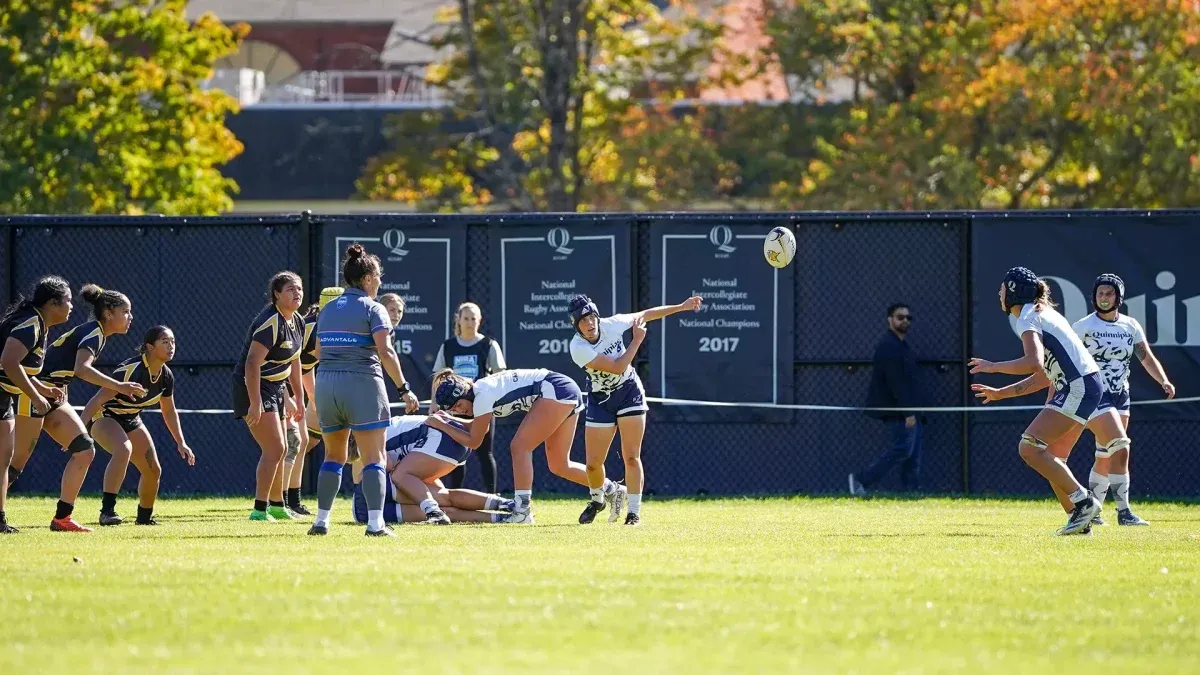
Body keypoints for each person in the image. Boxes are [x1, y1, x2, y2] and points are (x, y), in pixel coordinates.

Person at [970, 266, 1129, 536]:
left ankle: (1084, 502)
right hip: (1084, 385)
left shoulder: (1028, 316)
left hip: (1078, 387)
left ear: (1012, 292)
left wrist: (992, 367)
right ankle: (1079, 523)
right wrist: (1001, 393)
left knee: (1028, 447)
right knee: (1052, 456)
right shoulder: (1042, 314)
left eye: (1001, 289)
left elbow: (1033, 362)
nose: (998, 294)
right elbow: (1044, 376)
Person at [8, 284, 148, 532]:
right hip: (34, 391)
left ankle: (62, 518)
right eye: (126, 311)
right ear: (108, 313)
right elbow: (82, 369)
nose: (130, 317)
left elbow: (64, 368)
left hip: (53, 395)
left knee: (84, 449)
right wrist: (120, 385)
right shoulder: (94, 332)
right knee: (15, 463)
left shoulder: (97, 333)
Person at [1043, 274, 1174, 526]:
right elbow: (1064, 363)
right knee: (1117, 446)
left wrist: (1163, 380)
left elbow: (1146, 357)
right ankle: (1122, 512)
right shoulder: (1083, 326)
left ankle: (1097, 511)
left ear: (1119, 297)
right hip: (1094, 393)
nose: (1104, 298)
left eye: (1109, 293)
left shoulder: (1130, 326)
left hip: (1120, 394)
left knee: (1107, 454)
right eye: (1100, 293)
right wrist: (1054, 396)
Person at [309, 244, 419, 537]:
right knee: (374, 457)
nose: (380, 282)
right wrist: (404, 388)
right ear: (368, 279)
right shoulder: (375, 308)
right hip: (362, 384)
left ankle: (321, 521)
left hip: (327, 385)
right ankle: (375, 524)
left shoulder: (329, 308)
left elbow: (318, 352)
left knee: (333, 456)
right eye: (378, 277)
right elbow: (386, 351)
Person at [569, 293, 702, 526]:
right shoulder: (577, 347)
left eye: (591, 318)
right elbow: (618, 367)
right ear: (576, 326)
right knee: (592, 463)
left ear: (598, 317)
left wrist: (681, 306)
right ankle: (598, 500)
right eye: (582, 321)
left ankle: (634, 512)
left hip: (629, 392)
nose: (589, 324)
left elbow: (647, 314)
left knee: (631, 456)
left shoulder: (613, 324)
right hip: (601, 399)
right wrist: (637, 341)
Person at [428, 367, 592, 525]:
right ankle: (610, 489)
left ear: (464, 393)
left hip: (555, 388)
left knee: (520, 447)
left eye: (458, 405)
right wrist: (447, 421)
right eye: (453, 410)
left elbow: (474, 441)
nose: (459, 411)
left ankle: (522, 511)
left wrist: (442, 425)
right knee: (560, 465)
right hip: (563, 388)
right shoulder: (478, 392)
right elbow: (476, 427)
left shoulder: (481, 396)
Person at [83, 326, 195, 525]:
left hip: (132, 418)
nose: (171, 346)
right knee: (123, 449)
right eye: (165, 341)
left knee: (153, 470)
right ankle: (107, 512)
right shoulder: (131, 370)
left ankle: (144, 519)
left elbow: (168, 411)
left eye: (173, 342)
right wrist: (79, 432)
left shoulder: (166, 375)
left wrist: (181, 442)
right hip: (105, 416)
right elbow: (96, 400)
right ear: (149, 347)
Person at [0, 277, 74, 534]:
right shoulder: (30, 323)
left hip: (4, 397)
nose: (71, 306)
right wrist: (34, 396)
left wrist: (42, 388)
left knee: (3, 459)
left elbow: (19, 366)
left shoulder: (39, 324)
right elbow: (8, 362)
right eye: (68, 300)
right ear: (52, 303)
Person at [350, 414, 517, 525]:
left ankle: (434, 511)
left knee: (404, 478)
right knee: (446, 497)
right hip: (451, 439)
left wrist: (363, 472)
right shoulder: (382, 426)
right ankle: (508, 510)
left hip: (367, 503)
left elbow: (385, 465)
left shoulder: (364, 441)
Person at [233, 271, 306, 522]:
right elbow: (251, 365)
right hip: (252, 386)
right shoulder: (270, 322)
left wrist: (298, 396)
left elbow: (294, 361)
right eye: (290, 289)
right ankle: (259, 510)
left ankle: (277, 506)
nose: (297, 293)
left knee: (282, 447)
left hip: (276, 387)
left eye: (299, 288)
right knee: (275, 448)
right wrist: (254, 403)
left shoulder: (297, 321)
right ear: (276, 294)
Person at [849, 303, 924, 496]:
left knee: (912, 454)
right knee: (903, 450)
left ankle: (911, 493)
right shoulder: (888, 346)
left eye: (908, 318)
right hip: (898, 411)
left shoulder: (901, 346)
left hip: (911, 409)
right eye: (900, 317)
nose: (905, 321)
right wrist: (908, 413)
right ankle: (861, 479)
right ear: (890, 320)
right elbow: (895, 382)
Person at [431, 301, 506, 493]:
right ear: (459, 320)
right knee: (457, 452)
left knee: (484, 453)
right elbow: (438, 377)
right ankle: (454, 495)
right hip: (455, 409)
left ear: (479, 321)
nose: (470, 322)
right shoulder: (448, 347)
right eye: (466, 318)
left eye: (474, 318)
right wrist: (434, 403)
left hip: (481, 407)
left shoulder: (488, 344)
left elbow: (500, 374)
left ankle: (492, 496)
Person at [287, 287, 344, 516]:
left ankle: (292, 501)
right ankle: (275, 502)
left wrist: (312, 397)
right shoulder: (309, 327)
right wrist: (291, 398)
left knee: (298, 444)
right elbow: (289, 364)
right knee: (287, 445)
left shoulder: (330, 326)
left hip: (292, 385)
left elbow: (306, 367)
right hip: (275, 383)